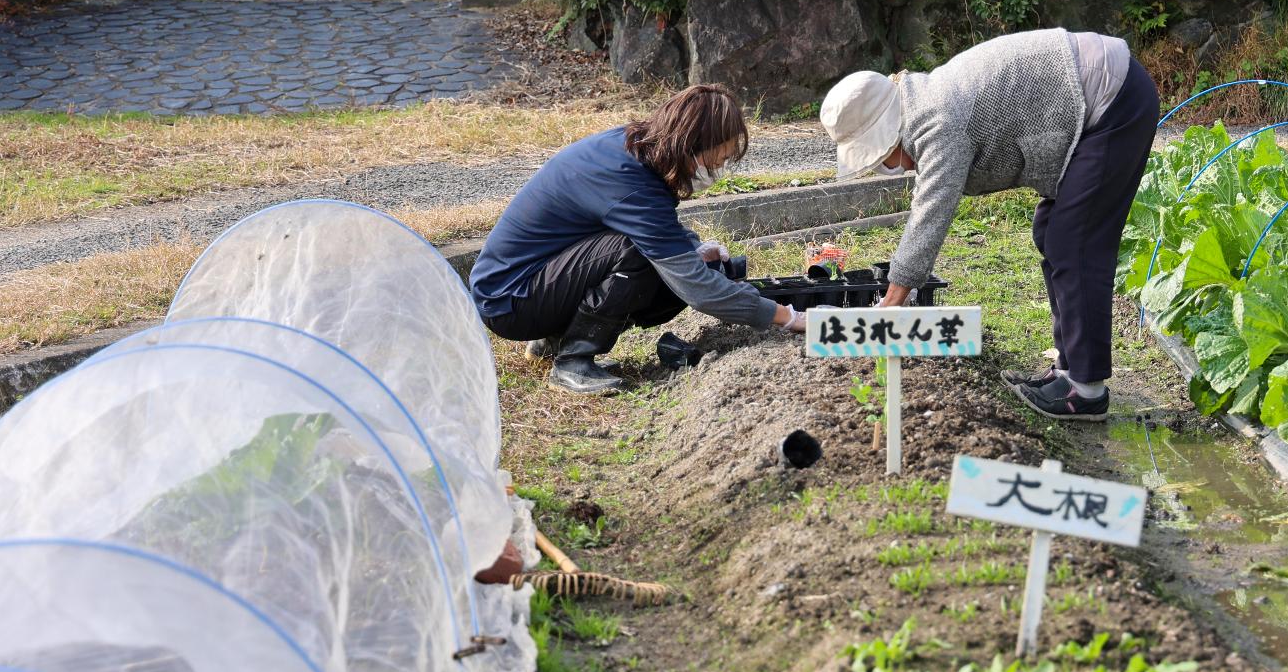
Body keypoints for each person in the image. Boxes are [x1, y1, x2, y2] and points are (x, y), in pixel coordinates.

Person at [819, 29, 1158, 421]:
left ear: (888, 134)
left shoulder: (938, 121)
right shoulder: (923, 106)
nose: (888, 167)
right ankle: (1070, 371)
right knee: (1052, 230)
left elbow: (931, 213)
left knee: (1073, 241)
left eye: (882, 158)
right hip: (1098, 92)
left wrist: (893, 300)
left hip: (1114, 101)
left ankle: (1086, 391)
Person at [471, 85, 807, 394]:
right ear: (690, 145)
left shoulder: (633, 151)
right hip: (511, 299)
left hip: (529, 284)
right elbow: (700, 291)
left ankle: (555, 340)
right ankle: (572, 362)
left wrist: (692, 248)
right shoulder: (629, 180)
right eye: (715, 160)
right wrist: (787, 317)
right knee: (640, 255)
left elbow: (653, 227)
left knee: (670, 260)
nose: (716, 172)